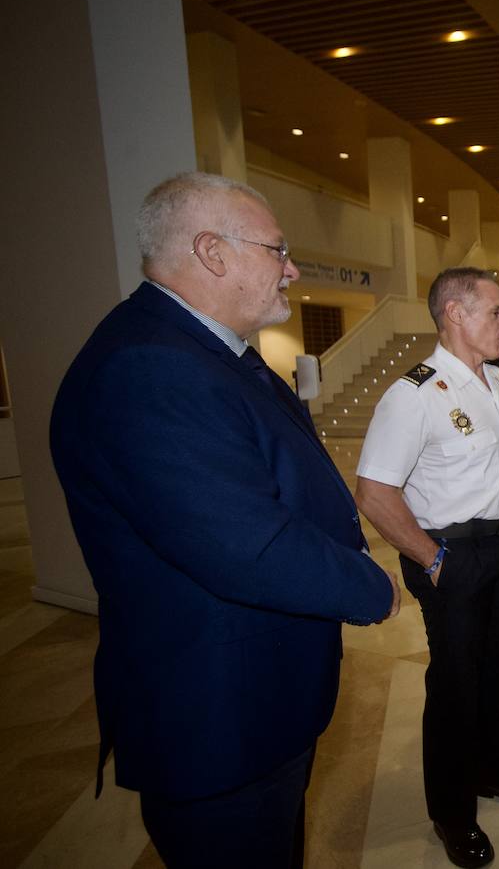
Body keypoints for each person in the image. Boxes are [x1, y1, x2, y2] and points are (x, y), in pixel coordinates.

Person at [48, 172, 399, 869]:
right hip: (216, 719)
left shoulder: (210, 353)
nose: (291, 268)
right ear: (212, 252)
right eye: (277, 250)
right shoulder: (148, 368)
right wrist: (372, 585)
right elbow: (247, 544)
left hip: (257, 703)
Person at [355, 267, 499, 869]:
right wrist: (432, 559)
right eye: (494, 312)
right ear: (455, 315)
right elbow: (374, 493)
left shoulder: (496, 379)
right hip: (451, 557)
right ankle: (452, 809)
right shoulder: (412, 393)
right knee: (456, 684)